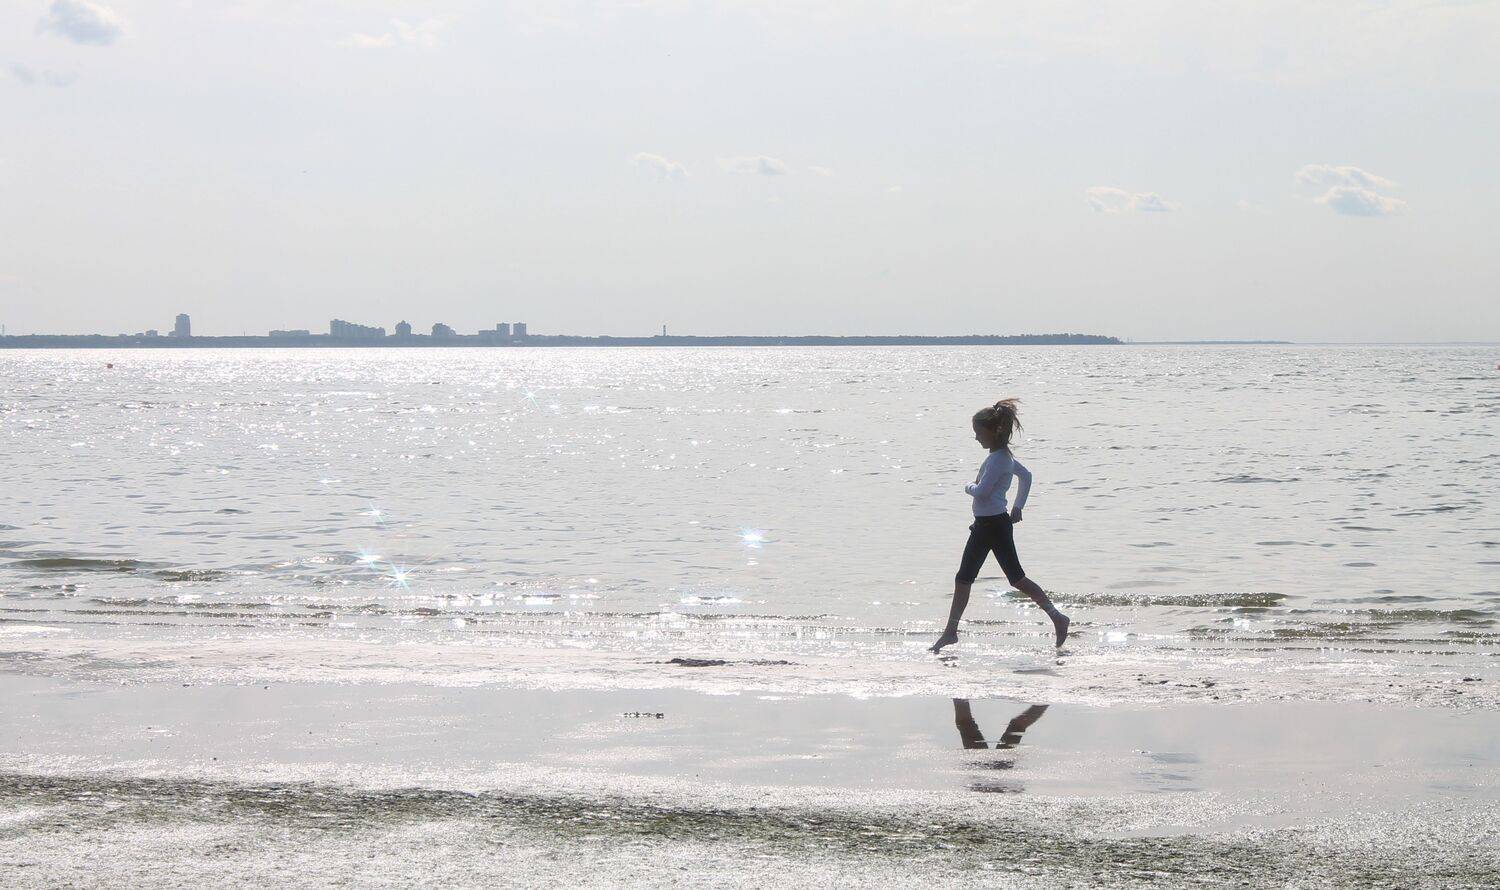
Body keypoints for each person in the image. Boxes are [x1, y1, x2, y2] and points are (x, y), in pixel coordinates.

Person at [929, 399, 1069, 653]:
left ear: (993, 432)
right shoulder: (1002, 457)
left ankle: (1057, 617)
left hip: (992, 526)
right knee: (968, 578)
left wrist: (967, 486)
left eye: (978, 433)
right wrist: (1018, 506)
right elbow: (1026, 476)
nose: (976, 438)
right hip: (989, 524)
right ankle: (950, 632)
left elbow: (982, 492)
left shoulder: (998, 460)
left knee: (1011, 578)